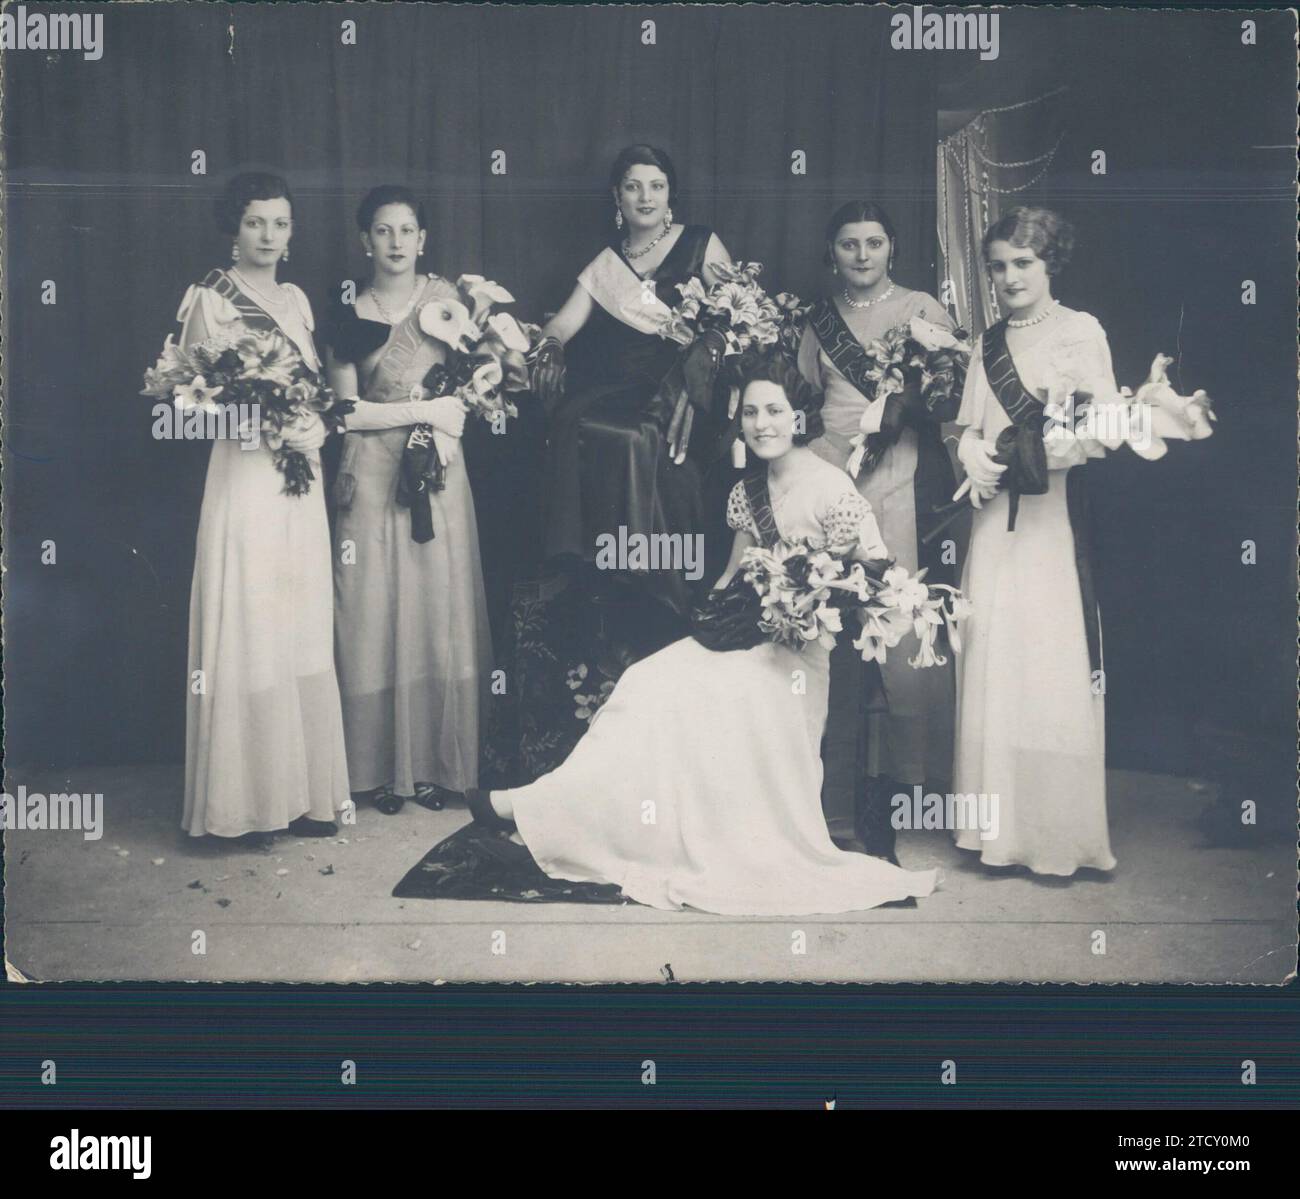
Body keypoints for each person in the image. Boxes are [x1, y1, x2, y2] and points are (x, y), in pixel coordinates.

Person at [454, 355, 939, 915]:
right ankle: (572, 815)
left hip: (795, 662)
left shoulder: (832, 490)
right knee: (647, 681)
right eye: (752, 412)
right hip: (742, 641)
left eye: (775, 411)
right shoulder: (746, 490)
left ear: (799, 416)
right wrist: (715, 612)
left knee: (695, 698)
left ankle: (526, 808)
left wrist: (813, 601)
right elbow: (732, 574)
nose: (762, 424)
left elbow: (875, 574)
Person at [180, 172, 350, 838]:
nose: (268, 236)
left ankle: (302, 795)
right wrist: (263, 423)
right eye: (256, 223)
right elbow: (192, 402)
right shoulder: (211, 298)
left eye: (280, 224)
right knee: (250, 620)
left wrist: (319, 426)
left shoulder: (298, 299)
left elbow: (313, 388)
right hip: (247, 472)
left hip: (297, 477)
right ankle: (243, 805)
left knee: (299, 620)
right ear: (235, 225)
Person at [951, 206, 1117, 876]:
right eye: (999, 265)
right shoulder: (986, 342)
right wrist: (971, 453)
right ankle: (993, 833)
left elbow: (1102, 428)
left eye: (1025, 262)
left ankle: (1052, 835)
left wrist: (1037, 449)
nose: (1011, 276)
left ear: (1050, 264)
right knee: (991, 655)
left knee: (1044, 665)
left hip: (1047, 526)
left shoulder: (1080, 333)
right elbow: (964, 425)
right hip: (992, 523)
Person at [320, 185, 492, 815]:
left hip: (436, 470)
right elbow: (343, 413)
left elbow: (481, 387)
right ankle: (373, 769)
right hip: (370, 473)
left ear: (424, 239)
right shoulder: (347, 314)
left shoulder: (451, 305)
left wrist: (459, 408)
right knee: (370, 610)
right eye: (383, 231)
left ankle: (434, 767)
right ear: (365, 240)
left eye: (407, 231)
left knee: (433, 605)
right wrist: (426, 406)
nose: (396, 243)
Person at [800, 201, 961, 862]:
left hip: (900, 476)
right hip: (830, 474)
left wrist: (902, 408)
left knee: (897, 628)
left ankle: (900, 793)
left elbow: (949, 392)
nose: (861, 255)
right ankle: (826, 795)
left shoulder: (923, 307)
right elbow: (802, 402)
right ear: (832, 253)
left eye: (873, 243)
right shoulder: (816, 321)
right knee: (828, 633)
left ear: (893, 248)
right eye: (848, 244)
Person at [530, 144, 735, 653]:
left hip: (688, 390)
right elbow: (563, 320)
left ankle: (661, 589)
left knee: (641, 438)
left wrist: (704, 364)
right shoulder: (606, 263)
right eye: (633, 186)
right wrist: (551, 345)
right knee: (579, 424)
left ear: (670, 196)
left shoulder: (701, 243)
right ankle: (611, 576)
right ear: (616, 197)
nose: (646, 197)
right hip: (619, 388)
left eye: (657, 186)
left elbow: (738, 314)